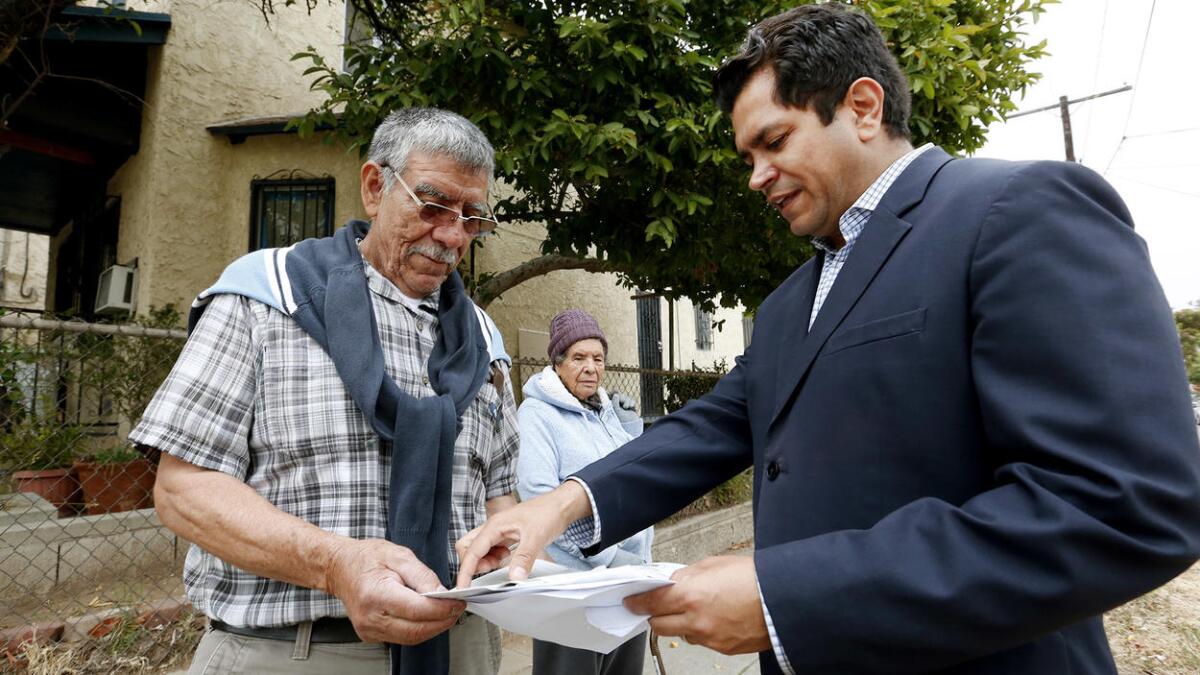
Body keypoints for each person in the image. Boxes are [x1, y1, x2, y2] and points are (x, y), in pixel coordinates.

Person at [455, 5, 1200, 674]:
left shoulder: (1016, 211)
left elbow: (1123, 501)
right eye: (746, 156)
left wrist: (785, 593)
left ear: (863, 106)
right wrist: (557, 507)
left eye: (772, 141)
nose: (754, 176)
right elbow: (711, 426)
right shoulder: (787, 304)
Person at [132, 108, 520, 675]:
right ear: (374, 186)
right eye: (433, 205)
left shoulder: (482, 340)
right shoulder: (265, 295)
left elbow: (500, 496)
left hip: (460, 650)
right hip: (292, 652)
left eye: (471, 218)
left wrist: (505, 552)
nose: (451, 235)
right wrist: (336, 564)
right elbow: (183, 488)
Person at [516, 308, 651, 674]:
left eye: (598, 358)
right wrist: (607, 560)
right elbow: (538, 497)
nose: (591, 367)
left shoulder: (604, 412)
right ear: (557, 364)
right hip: (573, 589)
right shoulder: (537, 415)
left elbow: (631, 481)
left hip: (626, 584)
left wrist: (628, 427)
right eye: (578, 358)